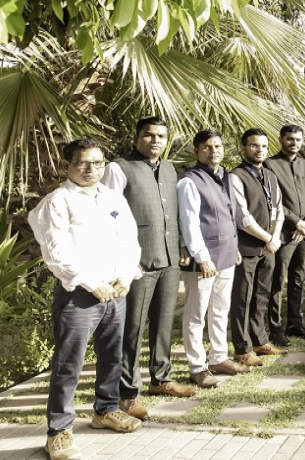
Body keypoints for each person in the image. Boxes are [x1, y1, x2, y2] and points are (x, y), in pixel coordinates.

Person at [30, 139, 144, 460]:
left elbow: (129, 242)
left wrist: (125, 275)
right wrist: (92, 283)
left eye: (97, 163)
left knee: (112, 356)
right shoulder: (59, 201)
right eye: (82, 163)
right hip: (78, 294)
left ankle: (105, 411)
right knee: (69, 363)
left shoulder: (112, 198)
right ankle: (59, 430)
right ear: (67, 165)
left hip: (116, 290)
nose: (90, 169)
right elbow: (56, 253)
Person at [102, 117, 195, 420]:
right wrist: (124, 259)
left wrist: (180, 246)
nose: (155, 140)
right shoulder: (119, 168)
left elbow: (175, 213)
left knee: (164, 322)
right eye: (148, 135)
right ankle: (127, 393)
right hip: (137, 263)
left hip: (168, 258)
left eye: (160, 136)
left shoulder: (168, 168)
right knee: (132, 328)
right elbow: (109, 213)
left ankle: (162, 379)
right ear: (137, 137)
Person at [177, 130, 250, 389]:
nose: (213, 151)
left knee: (220, 310)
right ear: (197, 151)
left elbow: (229, 216)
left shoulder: (226, 177)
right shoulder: (189, 181)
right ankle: (197, 366)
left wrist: (234, 247)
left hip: (227, 254)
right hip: (203, 260)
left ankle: (219, 356)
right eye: (207, 147)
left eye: (217, 146)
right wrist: (202, 257)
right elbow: (189, 223)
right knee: (196, 314)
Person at [230, 128, 288, 367]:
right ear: (243, 148)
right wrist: (268, 239)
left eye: (263, 146)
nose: (259, 150)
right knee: (242, 298)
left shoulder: (270, 176)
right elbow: (242, 217)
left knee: (262, 295)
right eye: (254, 145)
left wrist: (274, 238)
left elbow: (280, 210)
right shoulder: (236, 176)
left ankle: (259, 340)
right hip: (248, 248)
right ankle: (242, 349)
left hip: (269, 248)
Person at [265, 125, 305, 345]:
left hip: (303, 235)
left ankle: (295, 323)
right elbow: (272, 199)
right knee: (277, 280)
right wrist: (295, 222)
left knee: (298, 279)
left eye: (297, 140)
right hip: (284, 234)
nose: (294, 143)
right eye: (290, 139)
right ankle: (275, 327)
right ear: (281, 140)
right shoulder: (270, 165)